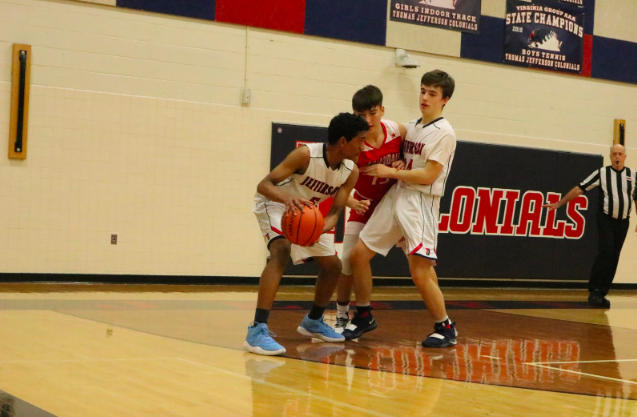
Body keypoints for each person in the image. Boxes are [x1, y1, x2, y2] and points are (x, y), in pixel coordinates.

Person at [343, 69, 458, 348]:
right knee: (358, 255)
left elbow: (429, 175)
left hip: (421, 202)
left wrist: (391, 171)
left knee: (420, 270)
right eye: (422, 91)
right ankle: (364, 315)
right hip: (397, 195)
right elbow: (396, 148)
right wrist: (398, 166)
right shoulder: (412, 126)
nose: (425, 97)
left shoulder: (444, 133)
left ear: (445, 99)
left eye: (432, 93)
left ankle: (445, 327)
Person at [245, 112, 369, 356]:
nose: (363, 147)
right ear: (343, 141)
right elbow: (264, 185)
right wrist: (289, 199)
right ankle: (256, 330)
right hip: (276, 202)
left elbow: (335, 213)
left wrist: (320, 228)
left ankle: (313, 321)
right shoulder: (305, 155)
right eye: (360, 140)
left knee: (333, 265)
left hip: (307, 214)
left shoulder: (350, 171)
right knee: (280, 251)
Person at [334, 85, 407, 331]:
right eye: (360, 115)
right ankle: (342, 313)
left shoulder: (398, 130)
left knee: (419, 261)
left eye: (372, 113)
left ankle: (441, 322)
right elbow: (334, 185)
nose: (367, 120)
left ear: (382, 110)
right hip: (363, 203)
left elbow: (417, 157)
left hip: (392, 205)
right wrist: (352, 201)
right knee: (348, 260)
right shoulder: (353, 143)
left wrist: (403, 163)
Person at [543, 144, 636, 307]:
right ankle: (594, 290)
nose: (617, 157)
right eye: (614, 154)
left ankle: (602, 292)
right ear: (610, 156)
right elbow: (580, 189)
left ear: (625, 156)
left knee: (614, 256)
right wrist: (560, 203)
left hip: (623, 221)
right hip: (606, 219)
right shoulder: (602, 173)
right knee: (606, 252)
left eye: (620, 154)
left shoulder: (633, 175)